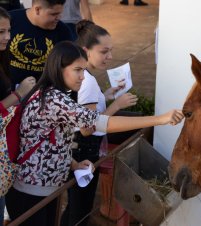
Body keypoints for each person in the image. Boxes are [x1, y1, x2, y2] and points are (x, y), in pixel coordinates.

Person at [5, 41, 183, 226]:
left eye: (83, 70)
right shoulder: (53, 100)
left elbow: (52, 141)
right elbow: (100, 123)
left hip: (42, 190)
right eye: (77, 70)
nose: (82, 77)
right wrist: (159, 119)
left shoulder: (51, 94)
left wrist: (73, 164)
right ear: (59, 68)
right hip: (31, 192)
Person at [60, 20, 138, 226]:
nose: (110, 57)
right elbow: (87, 128)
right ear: (86, 50)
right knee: (80, 211)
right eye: (104, 51)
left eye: (111, 51)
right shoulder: (88, 81)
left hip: (75, 149)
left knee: (74, 207)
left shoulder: (80, 75)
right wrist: (117, 105)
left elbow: (83, 112)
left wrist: (106, 95)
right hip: (84, 151)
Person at [0, 6, 35, 226]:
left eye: (8, 30)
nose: (8, 37)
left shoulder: (4, 55)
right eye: (1, 32)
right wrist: (18, 94)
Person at [7, 0, 73, 90]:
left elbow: (67, 66)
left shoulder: (63, 32)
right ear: (37, 10)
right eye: (54, 14)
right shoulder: (10, 20)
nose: (58, 18)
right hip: (6, 92)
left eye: (60, 13)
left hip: (42, 93)